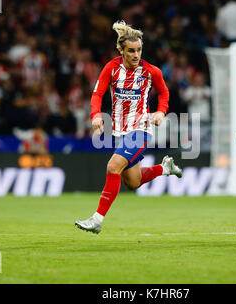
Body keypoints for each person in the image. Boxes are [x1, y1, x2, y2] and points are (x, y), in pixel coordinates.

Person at [75, 20, 182, 234]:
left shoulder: (151, 72)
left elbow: (164, 93)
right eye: (131, 51)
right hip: (119, 131)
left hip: (141, 130)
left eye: (139, 50)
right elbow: (97, 94)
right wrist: (95, 115)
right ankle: (164, 168)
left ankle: (97, 219)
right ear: (121, 50)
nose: (136, 55)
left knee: (113, 167)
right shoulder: (111, 69)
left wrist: (161, 111)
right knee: (133, 182)